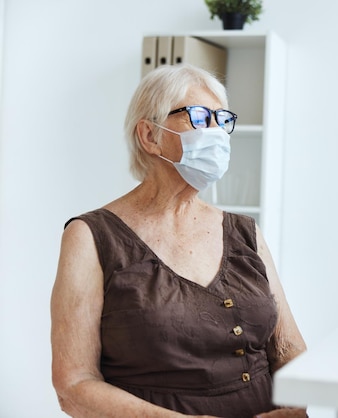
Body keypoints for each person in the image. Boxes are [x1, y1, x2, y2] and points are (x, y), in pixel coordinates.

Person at [51, 63, 307, 417]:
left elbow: (289, 347)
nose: (216, 132)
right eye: (200, 117)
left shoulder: (245, 232)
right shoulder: (90, 237)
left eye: (222, 120)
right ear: (149, 136)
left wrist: (295, 408)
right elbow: (74, 386)